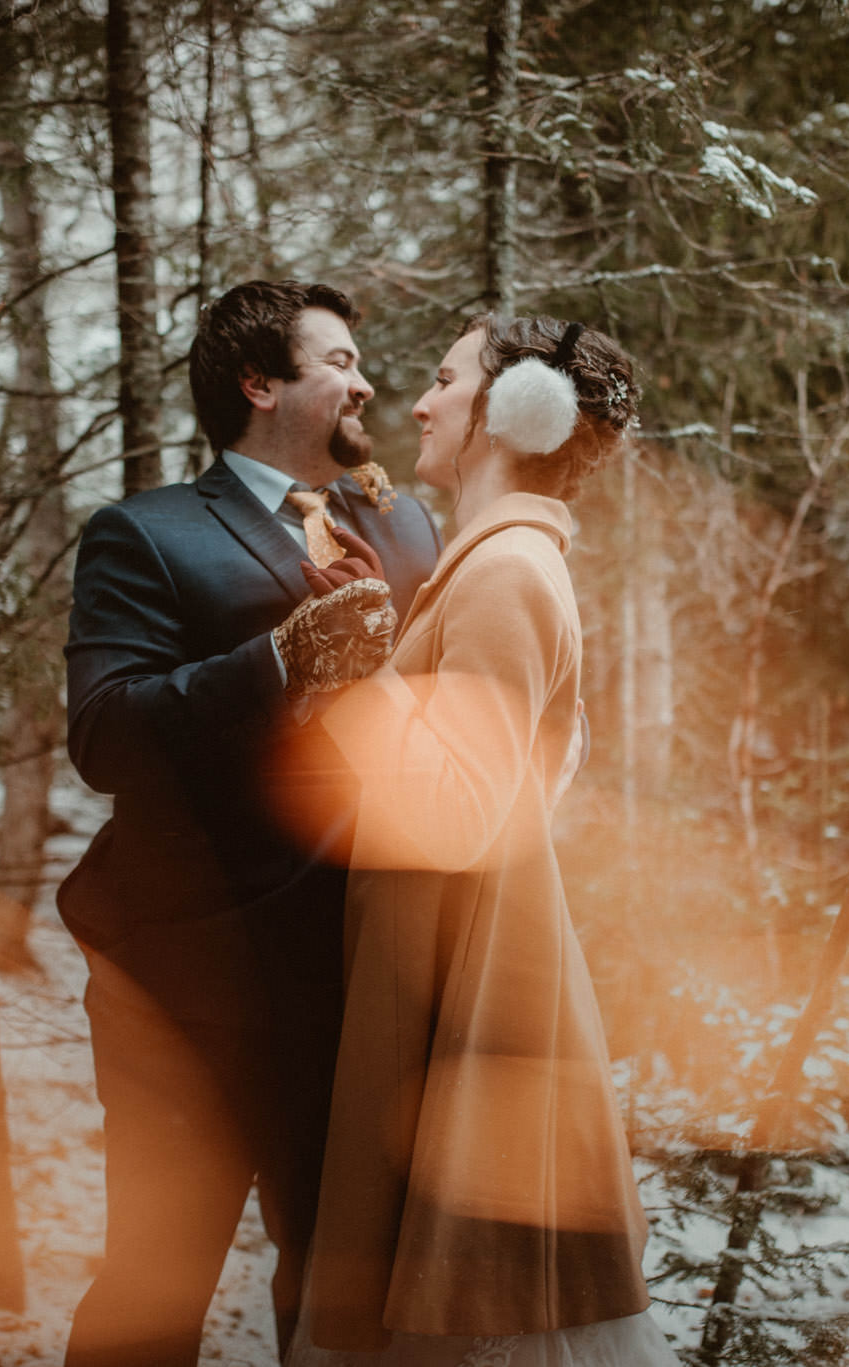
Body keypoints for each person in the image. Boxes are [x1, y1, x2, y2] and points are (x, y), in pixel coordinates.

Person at [57, 279, 442, 1367]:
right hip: (187, 985)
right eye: (338, 361)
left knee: (335, 1288)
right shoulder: (147, 533)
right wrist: (280, 659)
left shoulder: (406, 524)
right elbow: (104, 736)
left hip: (358, 978)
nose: (366, 382)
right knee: (154, 1278)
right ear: (258, 381)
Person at [285, 314, 679, 1366]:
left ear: (515, 413)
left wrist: (345, 686)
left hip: (471, 983)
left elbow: (460, 811)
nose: (417, 402)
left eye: (445, 379)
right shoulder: (496, 563)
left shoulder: (507, 570)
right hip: (451, 965)